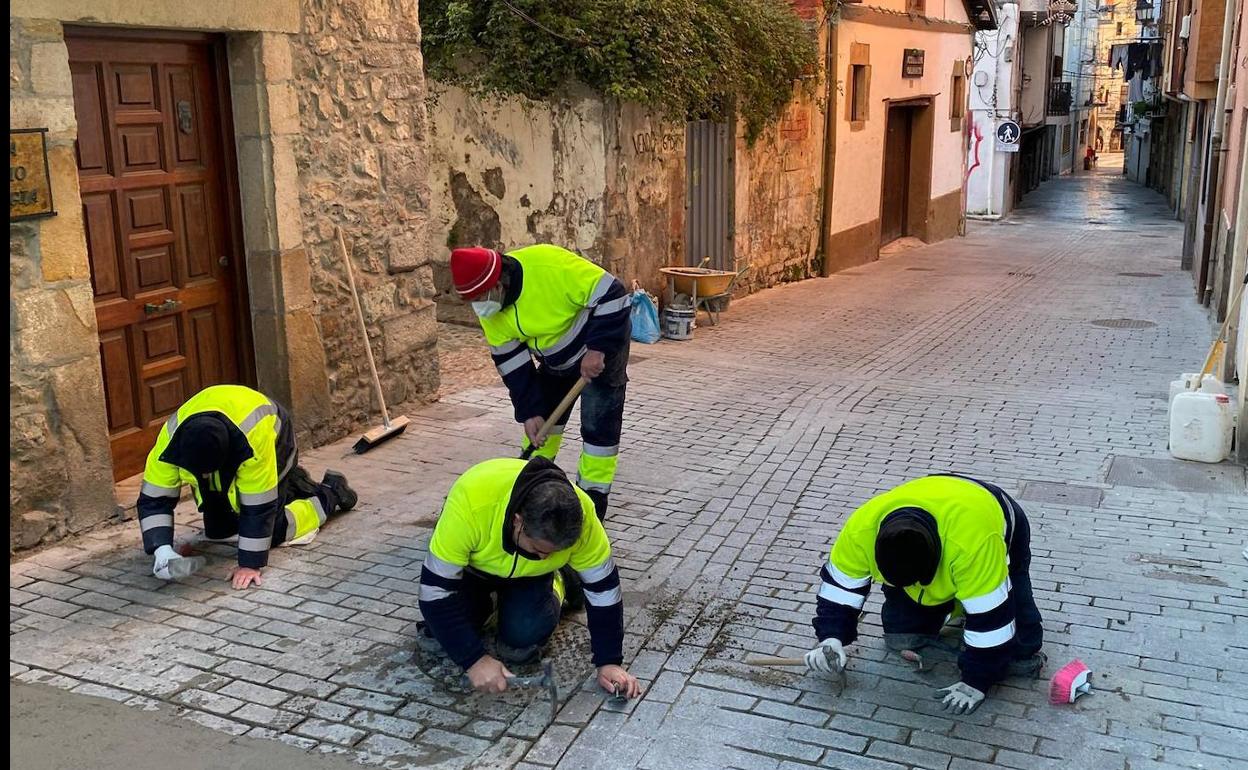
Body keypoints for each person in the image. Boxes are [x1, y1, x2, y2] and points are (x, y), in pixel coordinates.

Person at [804, 474, 1044, 715]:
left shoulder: (975, 545)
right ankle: (946, 608)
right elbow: (838, 592)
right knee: (903, 635)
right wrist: (831, 638)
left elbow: (993, 620)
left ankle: (985, 619)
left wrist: (977, 680)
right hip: (936, 502)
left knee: (1018, 649)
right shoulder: (860, 532)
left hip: (991, 512)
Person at [417, 457, 641, 699]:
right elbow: (434, 594)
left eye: (555, 553)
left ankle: (561, 580)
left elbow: (605, 591)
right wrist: (474, 660)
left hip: (531, 577)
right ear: (518, 521)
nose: (545, 557)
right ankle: (488, 601)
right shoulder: (471, 502)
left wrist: (609, 661)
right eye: (538, 550)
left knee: (522, 641)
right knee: (440, 633)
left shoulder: (584, 519)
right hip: (474, 571)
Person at [449, 245, 631, 520]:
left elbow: (614, 294)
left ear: (498, 283)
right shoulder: (491, 308)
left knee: (598, 429)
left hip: (599, 349)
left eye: (480, 297)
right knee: (541, 425)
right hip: (555, 359)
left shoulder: (549, 267)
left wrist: (597, 348)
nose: (479, 306)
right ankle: (531, 490)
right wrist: (528, 410)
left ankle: (591, 504)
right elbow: (512, 364)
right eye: (472, 301)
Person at [136, 384, 357, 589]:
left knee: (273, 531)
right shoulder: (168, 446)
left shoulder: (253, 442)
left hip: (274, 434)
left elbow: (259, 508)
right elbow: (154, 500)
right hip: (224, 425)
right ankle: (292, 484)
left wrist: (250, 564)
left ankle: (330, 492)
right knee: (220, 530)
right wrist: (162, 550)